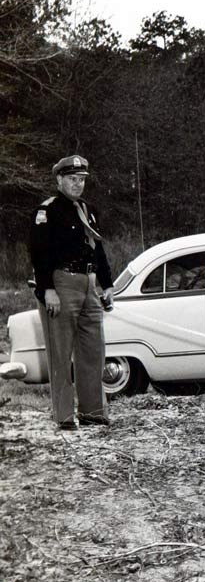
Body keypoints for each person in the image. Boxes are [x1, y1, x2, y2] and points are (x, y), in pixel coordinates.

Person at [29, 155, 115, 431]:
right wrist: (47, 290)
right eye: (72, 179)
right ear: (59, 180)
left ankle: (93, 412)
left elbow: (97, 250)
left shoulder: (88, 209)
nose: (77, 184)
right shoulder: (48, 210)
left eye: (81, 180)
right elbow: (38, 254)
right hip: (62, 282)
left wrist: (107, 284)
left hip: (88, 283)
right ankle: (65, 416)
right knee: (61, 351)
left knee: (93, 350)